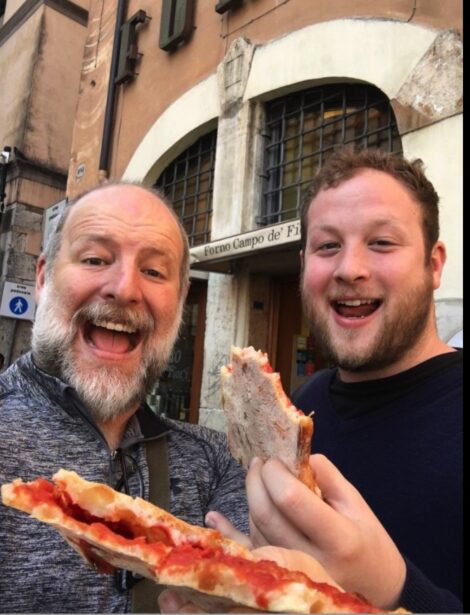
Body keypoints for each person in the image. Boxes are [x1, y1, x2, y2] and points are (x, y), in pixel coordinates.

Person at [160, 147, 462, 614]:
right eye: (327, 246)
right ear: (305, 264)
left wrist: (394, 591)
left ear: (434, 264)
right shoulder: (299, 409)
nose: (349, 268)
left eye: (382, 242)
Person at [0, 183, 249, 613]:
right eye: (95, 259)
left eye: (154, 272)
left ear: (181, 299)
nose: (125, 288)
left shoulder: (218, 461)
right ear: (42, 277)